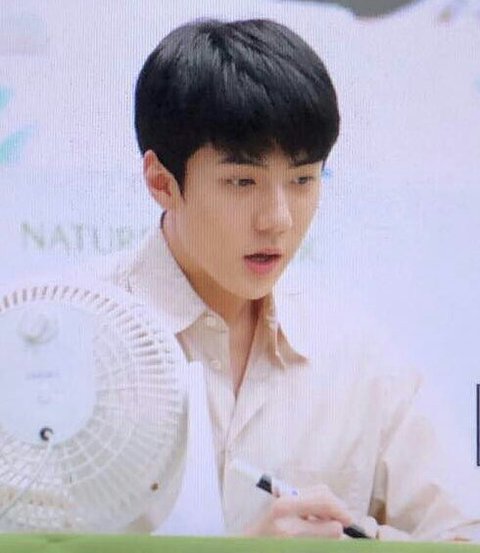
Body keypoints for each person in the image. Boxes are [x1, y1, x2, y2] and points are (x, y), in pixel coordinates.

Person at [98, 18, 479, 540]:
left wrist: (360, 542)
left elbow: (464, 536)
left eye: (303, 180)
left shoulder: (358, 357)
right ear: (162, 182)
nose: (277, 219)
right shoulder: (72, 338)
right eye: (242, 181)